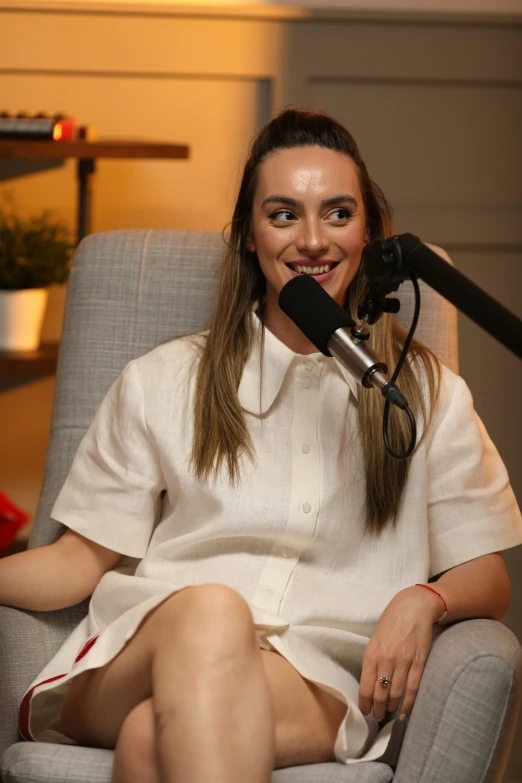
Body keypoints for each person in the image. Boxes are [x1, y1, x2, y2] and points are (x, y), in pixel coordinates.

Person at [1, 108, 521, 783]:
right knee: (214, 611)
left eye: (337, 213)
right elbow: (78, 560)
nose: (312, 240)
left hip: (315, 682)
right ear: (249, 235)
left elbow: (489, 573)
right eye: (283, 214)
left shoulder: (426, 393)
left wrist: (426, 599)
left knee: (150, 742)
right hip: (141, 653)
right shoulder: (164, 380)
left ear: (369, 232)